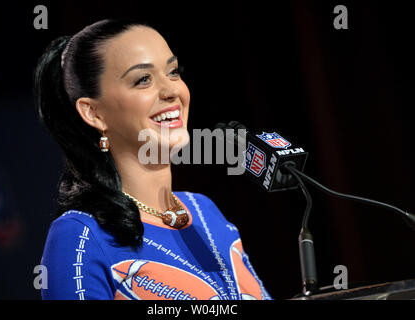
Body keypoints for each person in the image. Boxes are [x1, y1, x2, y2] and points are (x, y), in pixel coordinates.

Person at [34, 18, 272, 300]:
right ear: (93, 113)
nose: (172, 91)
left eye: (173, 72)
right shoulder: (80, 235)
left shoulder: (205, 211)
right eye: (143, 79)